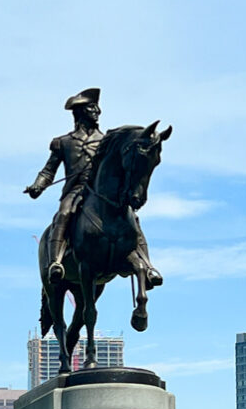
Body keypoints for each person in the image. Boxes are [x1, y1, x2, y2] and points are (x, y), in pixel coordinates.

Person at [26, 87, 162, 287]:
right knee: (63, 213)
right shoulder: (62, 142)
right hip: (75, 190)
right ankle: (56, 262)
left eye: (97, 108)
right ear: (80, 112)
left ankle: (147, 265)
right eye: (92, 108)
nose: (97, 112)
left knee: (132, 217)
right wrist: (38, 185)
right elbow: (48, 170)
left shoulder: (106, 141)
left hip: (102, 191)